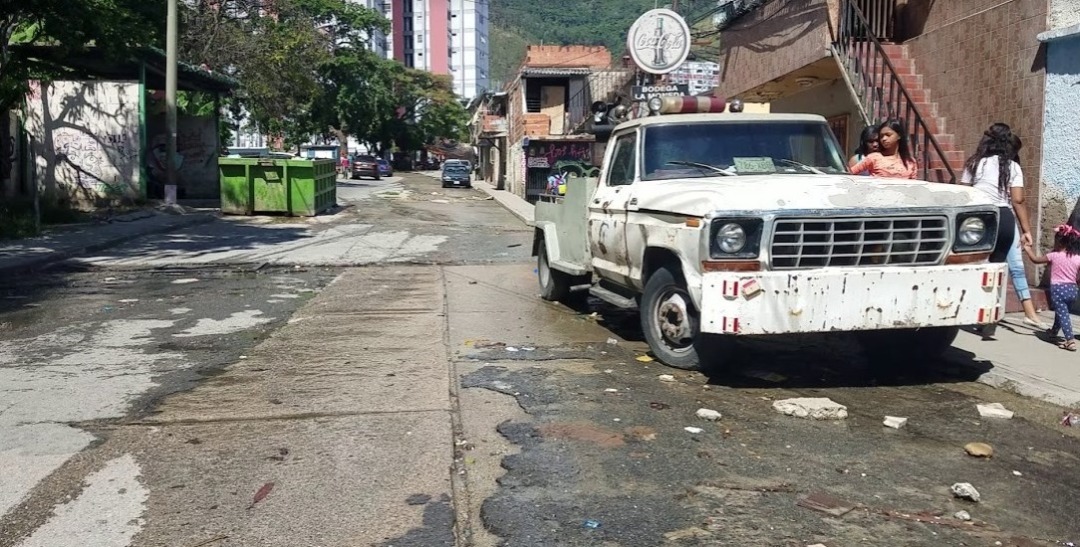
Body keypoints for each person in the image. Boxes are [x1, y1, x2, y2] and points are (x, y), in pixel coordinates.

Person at [960, 123, 1046, 334]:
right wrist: (1026, 230)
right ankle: (1030, 315)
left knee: (983, 267)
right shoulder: (1012, 167)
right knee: (1013, 266)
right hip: (1005, 217)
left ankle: (981, 314)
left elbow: (963, 193)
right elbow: (1018, 200)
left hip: (979, 218)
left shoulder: (974, 163)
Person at [1022, 224, 1080, 351]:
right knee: (1062, 313)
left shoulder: (1054, 255)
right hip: (1073, 290)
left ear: (1059, 242)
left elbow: (1036, 260)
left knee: (1063, 314)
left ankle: (1070, 341)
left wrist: (1027, 249)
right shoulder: (1077, 258)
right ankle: (1053, 332)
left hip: (1058, 289)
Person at [847, 119, 918, 179]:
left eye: (888, 135)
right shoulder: (874, 158)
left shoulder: (910, 161)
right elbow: (848, 174)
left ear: (899, 135)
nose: (884, 139)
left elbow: (914, 186)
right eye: (881, 136)